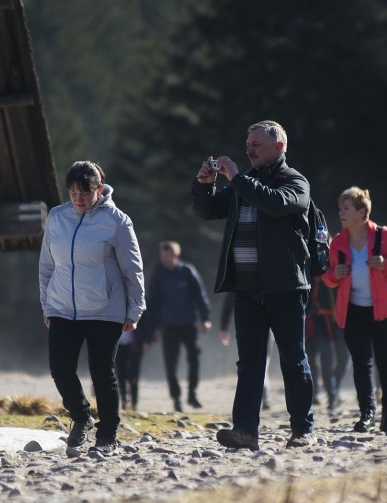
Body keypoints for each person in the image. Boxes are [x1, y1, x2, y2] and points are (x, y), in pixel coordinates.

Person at [192, 120, 315, 450]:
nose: (248, 149)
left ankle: (303, 429)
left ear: (279, 147)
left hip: (285, 286)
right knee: (249, 362)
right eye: (247, 143)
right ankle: (245, 430)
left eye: (256, 144)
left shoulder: (294, 181)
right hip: (246, 289)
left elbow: (275, 204)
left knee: (293, 358)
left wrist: (236, 178)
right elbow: (209, 210)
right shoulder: (242, 184)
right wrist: (204, 185)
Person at [39, 161, 145, 457]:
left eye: (85, 192)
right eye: (73, 192)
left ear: (99, 189)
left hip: (104, 308)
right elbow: (46, 266)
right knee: (59, 368)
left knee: (102, 372)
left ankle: (108, 433)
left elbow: (133, 269)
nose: (78, 198)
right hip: (62, 306)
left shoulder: (117, 221)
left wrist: (135, 309)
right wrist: (47, 305)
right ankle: (82, 415)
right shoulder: (57, 217)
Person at [322, 187, 387, 432]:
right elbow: (328, 277)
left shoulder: (384, 235)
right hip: (353, 311)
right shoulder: (338, 242)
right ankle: (367, 413)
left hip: (385, 311)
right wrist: (335, 274)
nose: (341, 212)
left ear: (362, 212)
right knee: (361, 363)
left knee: (386, 363)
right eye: (340, 207)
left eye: (346, 207)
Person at [146, 240, 213, 411]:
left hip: (188, 324)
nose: (164, 258)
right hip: (169, 326)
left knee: (194, 359)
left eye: (168, 255)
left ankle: (192, 393)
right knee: (170, 363)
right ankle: (176, 398)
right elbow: (153, 302)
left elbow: (200, 296)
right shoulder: (158, 273)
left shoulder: (187, 271)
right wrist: (153, 328)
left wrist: (205, 319)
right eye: (162, 255)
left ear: (176, 255)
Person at [306, 274, 350, 413]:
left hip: (344, 322)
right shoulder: (317, 276)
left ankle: (335, 389)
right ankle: (332, 396)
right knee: (327, 360)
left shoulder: (345, 269)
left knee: (344, 361)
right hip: (321, 323)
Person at [115, 316, 150, 411]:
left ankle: (134, 403)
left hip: (135, 344)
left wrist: (146, 340)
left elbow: (146, 322)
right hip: (118, 345)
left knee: (133, 375)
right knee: (120, 374)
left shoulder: (135, 304)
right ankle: (124, 401)